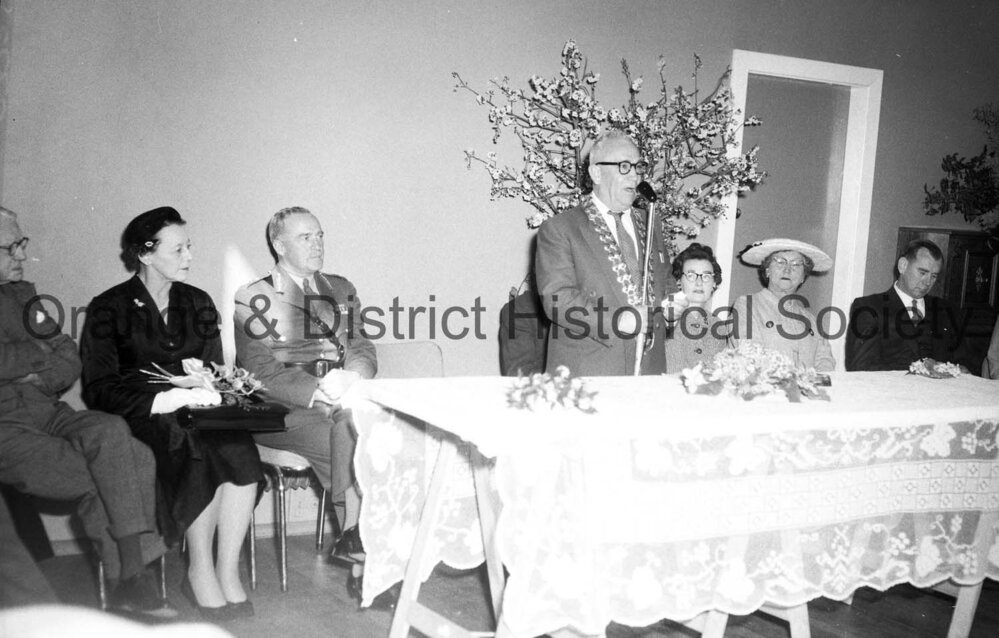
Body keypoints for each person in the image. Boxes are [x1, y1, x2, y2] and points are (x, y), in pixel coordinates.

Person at [80, 207, 263, 620]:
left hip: (197, 413)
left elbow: (217, 368)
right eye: (178, 249)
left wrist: (210, 385)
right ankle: (198, 570)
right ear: (145, 255)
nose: (188, 257)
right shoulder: (108, 308)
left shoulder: (196, 301)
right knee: (197, 449)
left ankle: (226, 569)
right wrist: (165, 400)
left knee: (238, 447)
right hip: (143, 419)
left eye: (189, 247)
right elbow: (98, 388)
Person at [0, 207, 171, 616]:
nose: (23, 255)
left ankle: (131, 576)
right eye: (12, 247)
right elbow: (38, 353)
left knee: (111, 430)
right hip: (6, 425)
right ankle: (130, 580)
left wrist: (27, 367)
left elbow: (68, 360)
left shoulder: (22, 293)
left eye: (22, 244)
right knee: (120, 467)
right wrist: (34, 354)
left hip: (48, 408)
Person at [233, 207, 376, 596]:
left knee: (354, 428)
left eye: (320, 235)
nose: (317, 244)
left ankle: (357, 545)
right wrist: (316, 391)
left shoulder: (341, 288)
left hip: (337, 404)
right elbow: (260, 372)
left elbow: (361, 344)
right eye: (305, 238)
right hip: (278, 410)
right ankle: (366, 556)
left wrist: (354, 375)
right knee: (350, 438)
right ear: (279, 245)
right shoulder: (255, 296)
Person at [535, 130, 668, 376]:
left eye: (638, 166)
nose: (635, 175)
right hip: (591, 373)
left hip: (649, 373)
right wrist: (616, 322)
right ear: (596, 172)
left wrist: (673, 306)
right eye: (624, 166)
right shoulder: (560, 229)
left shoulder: (651, 222)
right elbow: (558, 299)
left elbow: (664, 283)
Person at [846, 238, 965, 371]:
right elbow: (862, 367)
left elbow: (962, 361)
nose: (927, 282)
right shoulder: (868, 308)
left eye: (934, 276)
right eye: (922, 273)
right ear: (902, 266)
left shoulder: (947, 310)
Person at [730, 237, 835, 371]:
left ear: (803, 277)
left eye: (796, 264)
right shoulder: (747, 305)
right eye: (780, 262)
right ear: (767, 270)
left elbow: (825, 359)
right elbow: (748, 354)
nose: (787, 270)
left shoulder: (810, 319)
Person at [662, 243, 727, 371]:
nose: (699, 283)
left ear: (714, 283)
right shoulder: (666, 318)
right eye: (691, 276)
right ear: (679, 281)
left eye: (706, 276)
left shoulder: (718, 326)